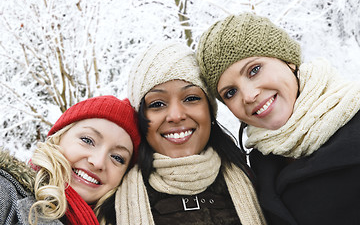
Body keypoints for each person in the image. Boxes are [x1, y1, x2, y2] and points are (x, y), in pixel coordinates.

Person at [196, 12, 360, 225]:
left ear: (288, 61)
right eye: (230, 93)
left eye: (254, 70)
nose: (248, 95)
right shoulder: (255, 170)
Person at [114, 41, 266, 225]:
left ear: (210, 110)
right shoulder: (109, 198)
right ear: (141, 118)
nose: (176, 116)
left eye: (191, 98)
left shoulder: (262, 182)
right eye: (157, 104)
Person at [0, 95, 140, 225]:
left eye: (117, 158)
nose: (98, 162)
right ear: (58, 138)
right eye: (87, 140)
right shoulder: (5, 193)